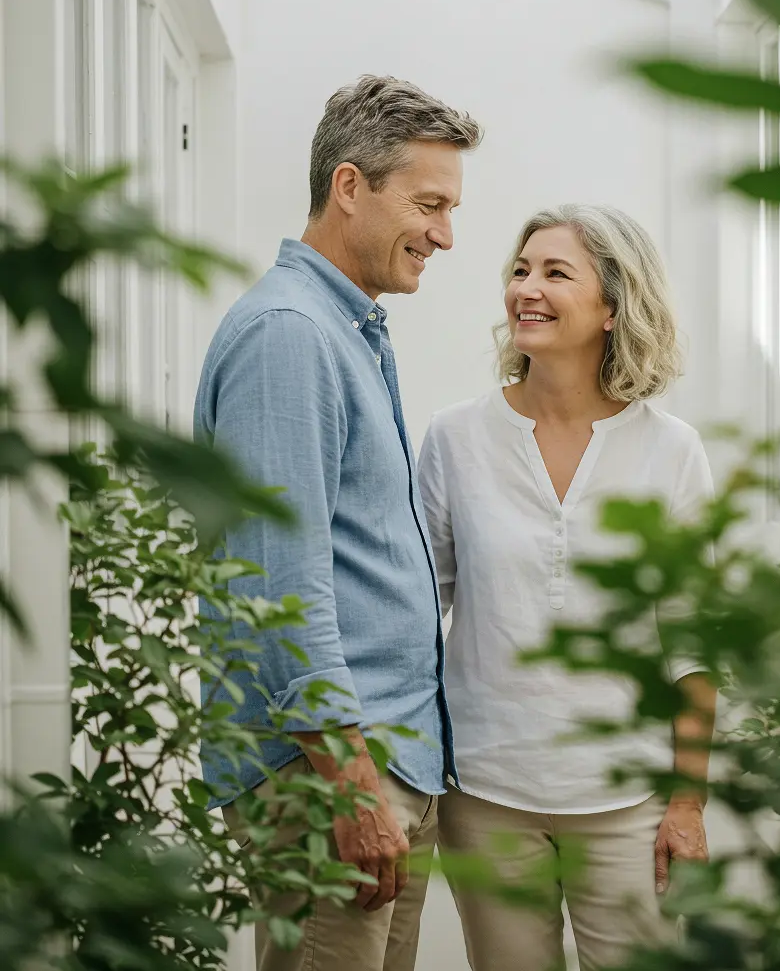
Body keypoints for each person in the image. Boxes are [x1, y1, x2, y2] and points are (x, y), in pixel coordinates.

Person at [193, 75, 482, 971]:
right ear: (349, 186)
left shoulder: (344, 326)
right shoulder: (290, 335)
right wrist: (352, 787)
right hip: (330, 784)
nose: (445, 233)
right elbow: (280, 583)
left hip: (377, 767)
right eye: (428, 204)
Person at [417, 204, 717, 971]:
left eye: (555, 273)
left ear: (613, 307)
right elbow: (418, 612)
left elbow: (694, 642)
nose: (527, 289)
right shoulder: (455, 439)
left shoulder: (671, 451)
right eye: (520, 270)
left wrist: (687, 802)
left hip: (627, 799)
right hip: (485, 792)